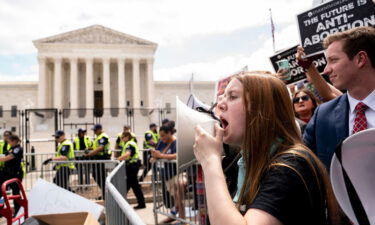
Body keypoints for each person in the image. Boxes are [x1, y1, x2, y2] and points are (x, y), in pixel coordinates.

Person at [193, 72, 344, 225]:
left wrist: (210, 161)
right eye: (223, 97)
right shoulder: (244, 163)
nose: (220, 105)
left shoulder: (290, 165)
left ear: (262, 108)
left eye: (232, 97)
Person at [304, 26, 375, 169]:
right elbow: (303, 165)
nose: (326, 70)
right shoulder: (322, 116)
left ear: (360, 59)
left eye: (333, 60)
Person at [151, 123, 187, 220]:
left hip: (177, 173)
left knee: (178, 191)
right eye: (160, 136)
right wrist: (154, 156)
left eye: (163, 135)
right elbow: (156, 153)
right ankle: (175, 214)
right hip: (166, 175)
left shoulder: (176, 142)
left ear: (169, 133)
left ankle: (181, 217)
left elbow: (176, 155)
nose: (161, 138)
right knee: (176, 198)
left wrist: (161, 156)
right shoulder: (162, 142)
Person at [117, 132, 146, 209]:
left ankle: (120, 203)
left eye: (122, 137)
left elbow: (127, 154)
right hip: (131, 166)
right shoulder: (128, 143)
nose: (121, 139)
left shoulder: (130, 144)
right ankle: (141, 203)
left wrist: (118, 159)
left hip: (132, 166)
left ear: (127, 136)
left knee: (129, 185)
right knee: (134, 185)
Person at [84, 124, 111, 200]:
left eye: (95, 130)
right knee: (100, 177)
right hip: (99, 159)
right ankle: (105, 194)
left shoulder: (103, 136)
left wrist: (89, 154)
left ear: (100, 129)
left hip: (102, 159)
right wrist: (91, 148)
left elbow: (100, 148)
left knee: (101, 177)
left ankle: (106, 194)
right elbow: (97, 147)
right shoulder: (99, 137)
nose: (94, 132)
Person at [0, 134, 24, 214]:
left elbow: (9, 158)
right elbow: (5, 156)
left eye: (9, 141)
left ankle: (18, 211)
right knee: (1, 191)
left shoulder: (18, 149)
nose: (9, 143)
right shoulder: (12, 148)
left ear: (14, 141)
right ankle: (1, 209)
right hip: (7, 173)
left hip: (14, 174)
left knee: (16, 193)